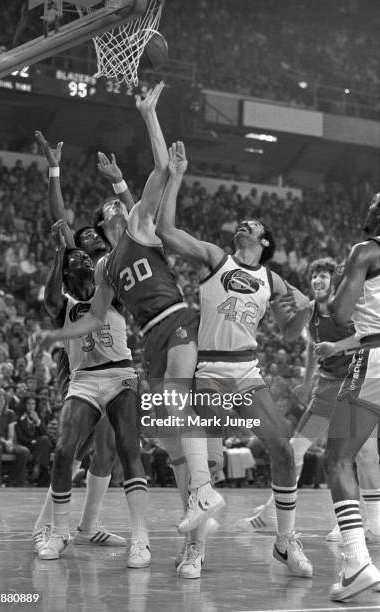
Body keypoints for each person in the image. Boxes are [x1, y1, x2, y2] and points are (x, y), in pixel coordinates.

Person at [36, 84, 225, 555]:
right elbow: (93, 316)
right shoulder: (103, 266)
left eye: (122, 201)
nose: (119, 205)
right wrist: (54, 333)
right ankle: (192, 508)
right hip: (142, 341)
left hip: (174, 322)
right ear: (103, 226)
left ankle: (199, 494)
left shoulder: (141, 224)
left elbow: (160, 171)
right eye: (112, 207)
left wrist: (149, 114)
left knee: (165, 413)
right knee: (161, 432)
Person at [155, 141, 313, 578]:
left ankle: (285, 540)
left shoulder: (272, 278)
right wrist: (177, 176)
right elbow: (166, 231)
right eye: (242, 222)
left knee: (282, 448)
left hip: (246, 370)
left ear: (263, 242)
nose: (244, 222)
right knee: (201, 439)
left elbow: (290, 332)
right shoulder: (215, 258)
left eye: (254, 223)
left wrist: (303, 308)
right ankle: (194, 549)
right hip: (209, 367)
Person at [235, 257, 380, 540]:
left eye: (324, 276)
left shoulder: (348, 308)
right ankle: (271, 513)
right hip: (326, 387)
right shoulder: (310, 312)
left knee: (363, 455)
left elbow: (367, 337)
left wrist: (336, 346)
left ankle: (364, 523)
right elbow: (313, 348)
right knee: (295, 449)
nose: (318, 281)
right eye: (314, 276)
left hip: (355, 381)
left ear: (333, 281)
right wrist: (306, 380)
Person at [35, 222, 148, 569]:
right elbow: (51, 294)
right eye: (77, 259)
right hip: (83, 380)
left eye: (88, 255)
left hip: (121, 375)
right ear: (67, 274)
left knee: (126, 450)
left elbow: (126, 255)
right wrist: (60, 252)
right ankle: (58, 531)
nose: (85, 258)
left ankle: (140, 539)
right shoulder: (62, 304)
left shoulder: (109, 289)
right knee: (65, 449)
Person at [324, 193, 380, 600]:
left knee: (338, 458)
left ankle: (357, 561)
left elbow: (340, 313)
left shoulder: (365, 250)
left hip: (374, 360)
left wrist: (337, 292)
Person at [0, 388, 31, 486]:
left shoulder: (10, 413)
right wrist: (3, 442)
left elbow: (11, 433)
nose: (2, 402)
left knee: (24, 451)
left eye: (4, 399)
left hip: (7, 442)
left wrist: (10, 442)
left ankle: (15, 480)